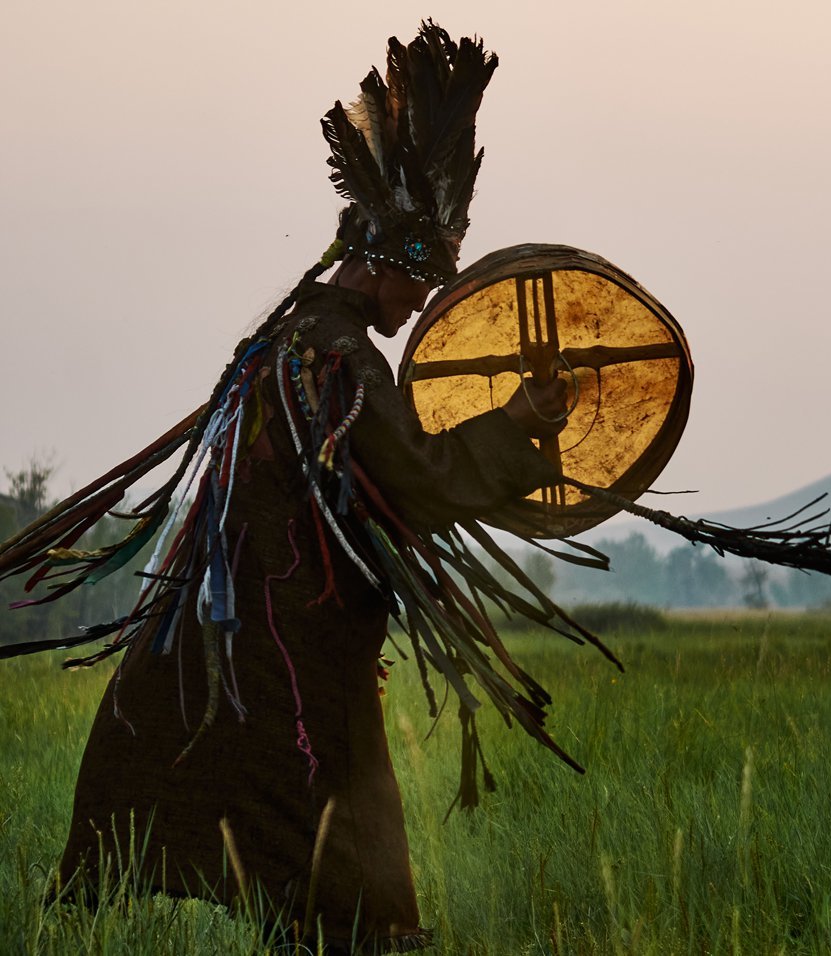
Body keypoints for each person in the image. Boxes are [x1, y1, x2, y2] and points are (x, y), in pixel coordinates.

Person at [6, 21, 566, 953]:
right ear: (383, 255)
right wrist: (517, 422)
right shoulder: (340, 353)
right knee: (339, 842)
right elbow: (419, 483)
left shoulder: (288, 337)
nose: (422, 304)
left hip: (266, 635)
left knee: (295, 835)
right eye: (422, 277)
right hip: (295, 646)